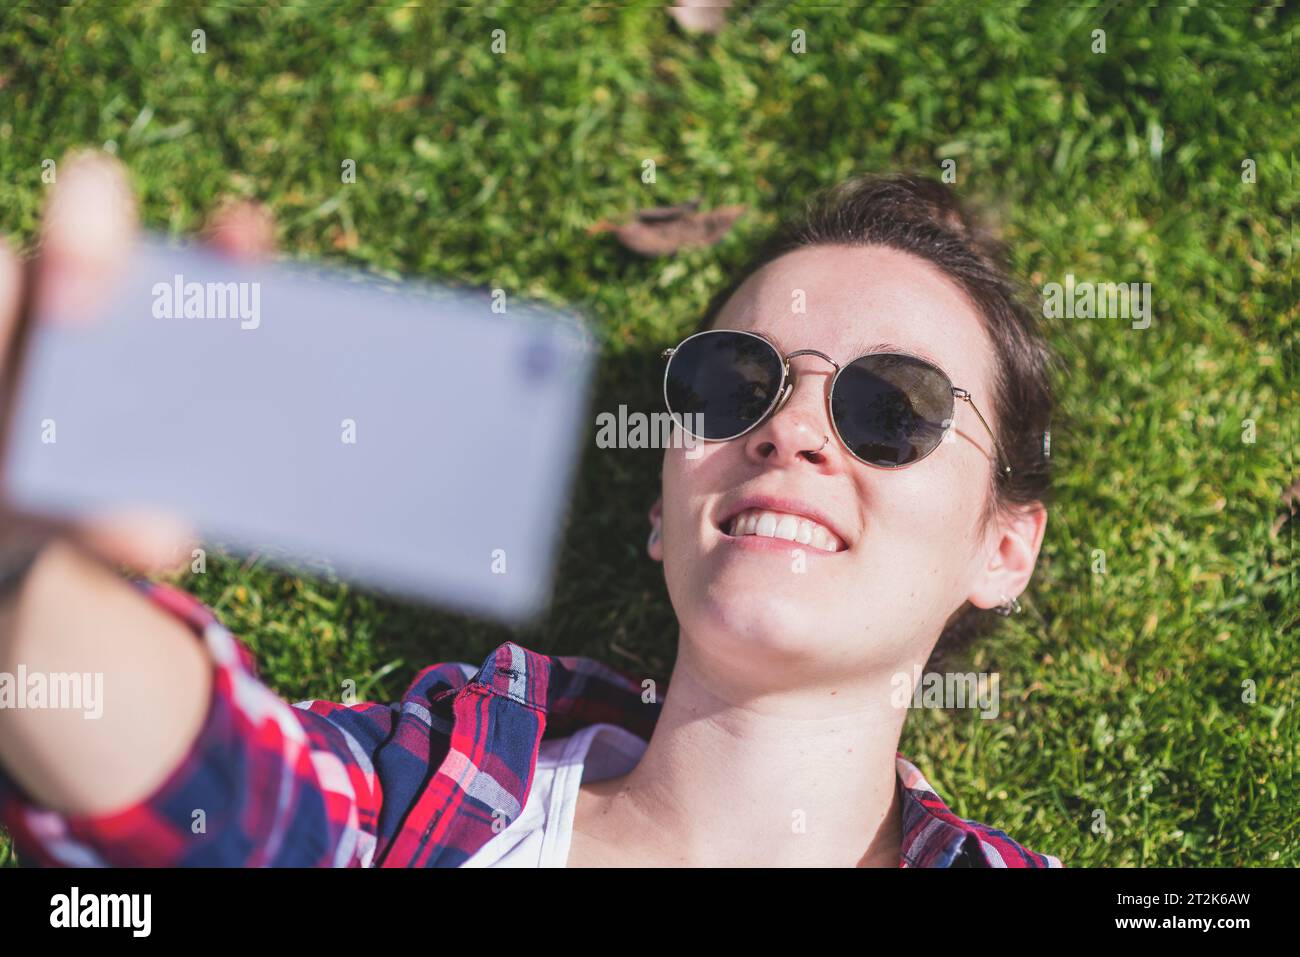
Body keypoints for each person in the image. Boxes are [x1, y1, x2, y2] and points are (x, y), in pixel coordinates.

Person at [0, 153, 1062, 867]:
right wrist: (20, 563)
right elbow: (220, 801)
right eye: (733, 384)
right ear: (661, 508)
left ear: (1004, 546)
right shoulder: (435, 799)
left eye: (894, 407)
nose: (789, 431)